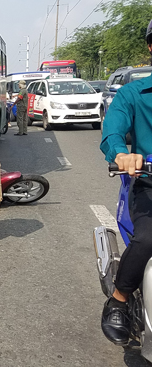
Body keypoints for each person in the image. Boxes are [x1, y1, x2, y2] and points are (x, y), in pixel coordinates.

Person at [99, 18, 152, 346]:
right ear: (150, 47)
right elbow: (112, 131)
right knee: (148, 239)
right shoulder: (134, 93)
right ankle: (118, 298)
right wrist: (121, 154)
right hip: (148, 184)